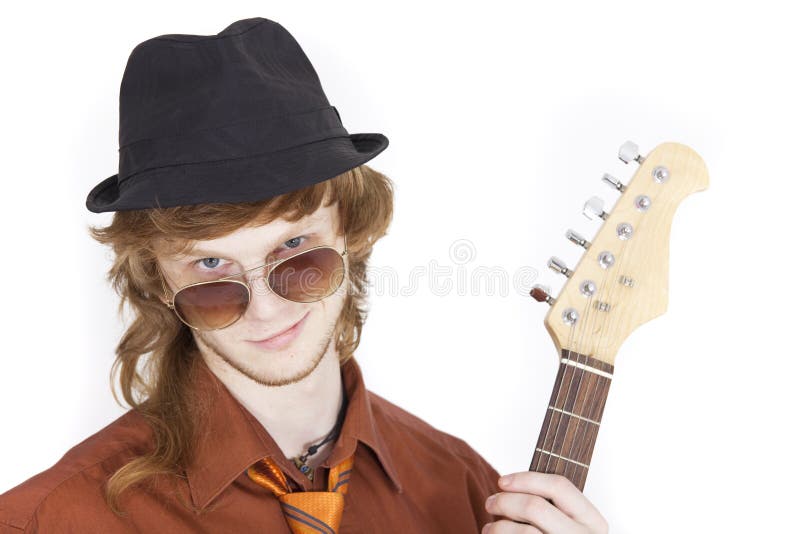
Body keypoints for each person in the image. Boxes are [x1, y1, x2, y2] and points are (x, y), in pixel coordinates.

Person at [0, 17, 608, 533]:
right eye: (212, 266)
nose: (265, 307)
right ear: (160, 280)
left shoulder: (465, 490)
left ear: (351, 229)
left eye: (296, 250)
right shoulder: (50, 519)